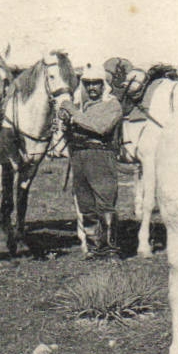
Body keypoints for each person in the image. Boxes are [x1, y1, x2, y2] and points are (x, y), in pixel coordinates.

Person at [63, 63, 125, 258]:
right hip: (80, 156)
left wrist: (72, 111)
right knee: (86, 205)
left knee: (105, 204)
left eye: (96, 84)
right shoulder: (85, 106)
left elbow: (100, 128)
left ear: (103, 85)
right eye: (88, 84)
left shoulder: (112, 105)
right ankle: (94, 248)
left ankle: (111, 250)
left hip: (101, 155)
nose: (91, 88)